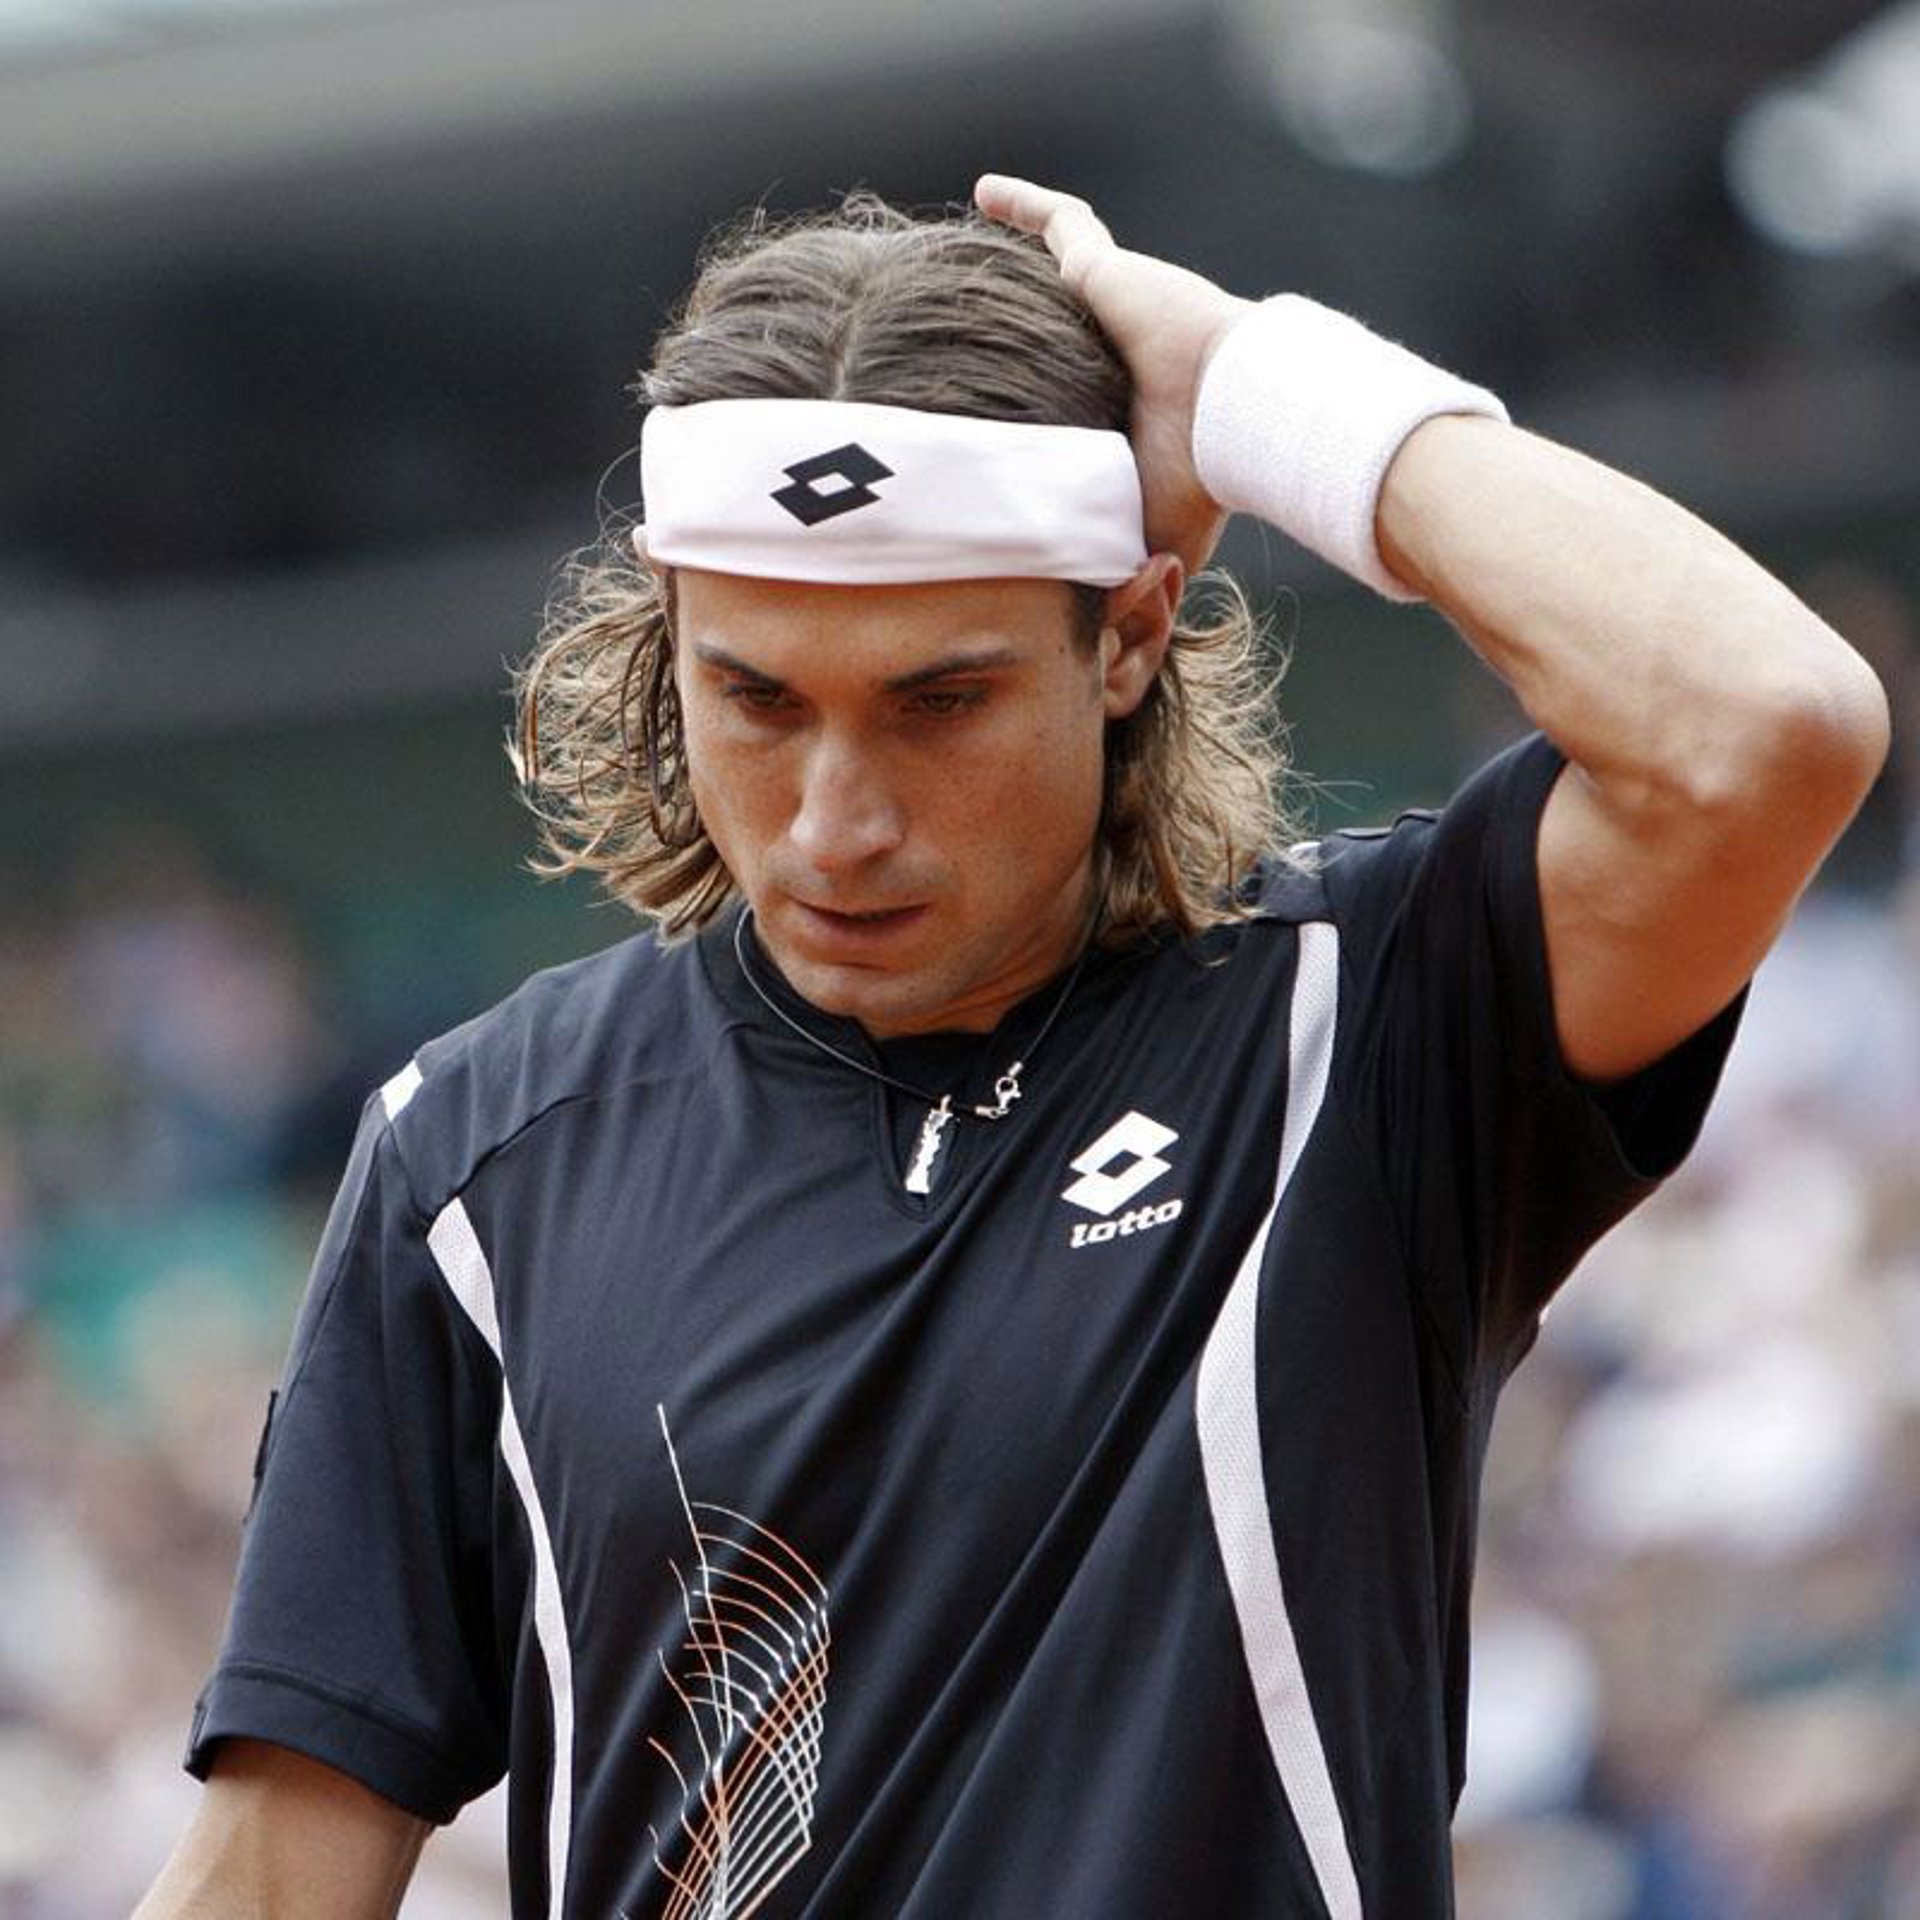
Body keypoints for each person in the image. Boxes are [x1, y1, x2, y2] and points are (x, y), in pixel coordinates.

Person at [136, 175, 1889, 1920]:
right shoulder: (474, 1157)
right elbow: (274, 1878)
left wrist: (1253, 390)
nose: (835, 823)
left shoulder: (1366, 1020)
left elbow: (1766, 727)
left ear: (1126, 637)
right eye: (755, 698)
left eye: (940, 702)